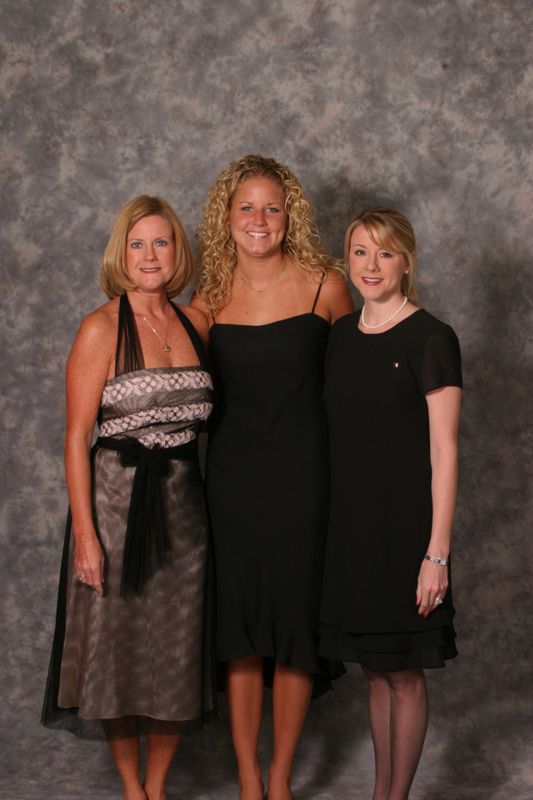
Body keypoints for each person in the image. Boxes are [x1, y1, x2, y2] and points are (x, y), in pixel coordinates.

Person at [42, 195, 215, 800]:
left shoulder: (198, 322)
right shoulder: (99, 327)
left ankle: (159, 786)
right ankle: (131, 789)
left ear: (178, 251)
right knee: (115, 649)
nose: (151, 256)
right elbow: (74, 436)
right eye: (138, 244)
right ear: (122, 253)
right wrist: (87, 538)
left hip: (184, 511)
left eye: (162, 242)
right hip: (115, 508)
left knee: (176, 651)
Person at [192, 154, 353, 800]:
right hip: (230, 485)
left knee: (292, 627)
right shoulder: (205, 302)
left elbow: (360, 384)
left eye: (272, 208)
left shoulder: (327, 286)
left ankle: (281, 780)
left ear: (290, 217)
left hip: (305, 482)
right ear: (226, 219)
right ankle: (250, 782)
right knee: (240, 633)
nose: (259, 220)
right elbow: (170, 383)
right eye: (246, 208)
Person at [319, 207, 462, 800]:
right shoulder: (338, 338)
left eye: (384, 253)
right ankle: (382, 793)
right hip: (352, 531)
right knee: (375, 670)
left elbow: (445, 453)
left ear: (406, 260)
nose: (370, 266)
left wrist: (437, 555)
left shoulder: (432, 338)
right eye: (359, 252)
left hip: (407, 535)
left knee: (403, 671)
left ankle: (394, 798)